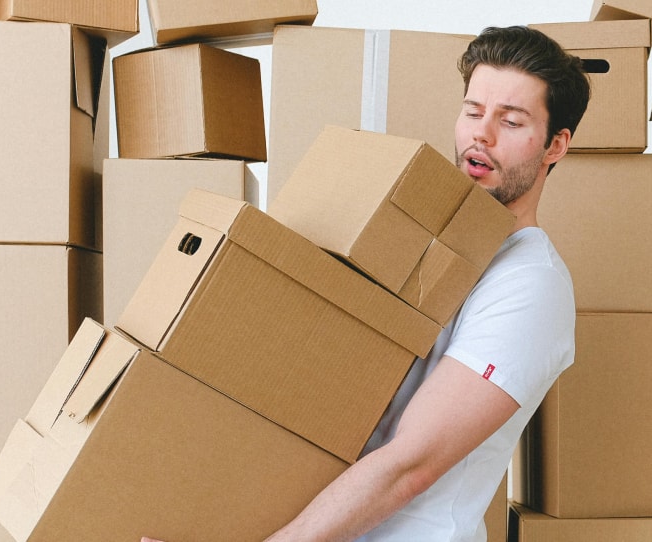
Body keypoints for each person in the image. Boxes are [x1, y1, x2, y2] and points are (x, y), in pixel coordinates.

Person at [143, 25, 588, 542]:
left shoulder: (532, 286)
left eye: (510, 121)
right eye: (472, 111)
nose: (480, 136)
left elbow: (409, 464)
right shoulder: (420, 245)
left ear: (555, 145)